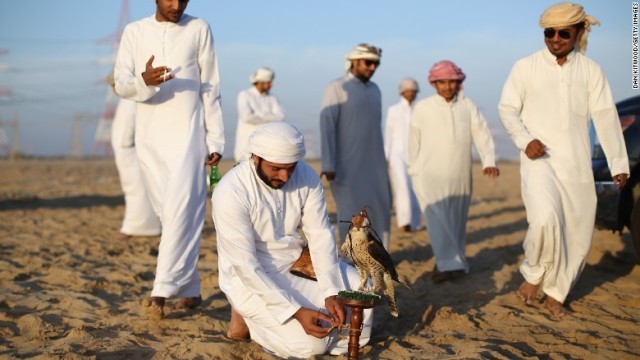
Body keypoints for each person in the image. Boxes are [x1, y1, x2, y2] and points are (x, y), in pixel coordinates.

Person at [498, 2, 629, 316]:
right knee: (544, 221)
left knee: (577, 230)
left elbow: (606, 117)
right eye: (549, 32)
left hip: (577, 163)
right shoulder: (525, 66)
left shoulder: (591, 71)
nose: (555, 38)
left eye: (563, 32)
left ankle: (557, 294)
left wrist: (619, 163)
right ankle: (533, 273)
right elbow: (507, 109)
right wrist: (524, 139)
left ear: (579, 32)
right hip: (538, 161)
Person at [212, 122, 372, 358]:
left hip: (294, 264)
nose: (285, 176)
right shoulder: (231, 192)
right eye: (276, 168)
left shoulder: (306, 175)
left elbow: (320, 234)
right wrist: (295, 311)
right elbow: (246, 266)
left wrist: (331, 292)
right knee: (311, 347)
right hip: (249, 278)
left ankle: (291, 326)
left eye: (291, 167)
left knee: (361, 288)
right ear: (255, 158)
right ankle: (248, 318)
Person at [113, 0, 225, 319]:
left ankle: (161, 290)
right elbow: (121, 84)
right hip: (150, 138)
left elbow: (210, 86)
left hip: (189, 135)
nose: (176, 5)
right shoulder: (135, 32)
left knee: (180, 208)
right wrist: (144, 82)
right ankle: (189, 289)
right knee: (170, 214)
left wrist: (215, 136)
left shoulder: (199, 28)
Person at [408, 60, 499, 283]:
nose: (447, 87)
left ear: (458, 82)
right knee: (436, 219)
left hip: (460, 174)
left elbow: (482, 133)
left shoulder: (467, 105)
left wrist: (489, 160)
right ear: (434, 83)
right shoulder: (423, 107)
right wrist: (414, 168)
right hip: (429, 173)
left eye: (452, 82)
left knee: (457, 220)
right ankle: (445, 263)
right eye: (442, 82)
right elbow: (413, 141)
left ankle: (456, 264)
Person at [320, 43, 392, 249]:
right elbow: (327, 126)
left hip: (375, 165)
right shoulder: (336, 87)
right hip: (345, 166)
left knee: (379, 210)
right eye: (368, 63)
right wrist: (328, 162)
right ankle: (352, 259)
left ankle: (379, 256)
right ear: (354, 61)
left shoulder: (375, 90)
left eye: (375, 64)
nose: (372, 67)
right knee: (351, 214)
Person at [107, 72, 161, 241]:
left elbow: (131, 129)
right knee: (134, 188)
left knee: (136, 189)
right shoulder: (127, 100)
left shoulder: (133, 100)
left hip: (130, 151)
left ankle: (135, 227)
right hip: (126, 151)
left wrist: (126, 146)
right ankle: (141, 226)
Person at [384, 78, 423, 233]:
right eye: (408, 90)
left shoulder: (420, 109)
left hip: (417, 154)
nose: (410, 93)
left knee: (417, 189)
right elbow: (389, 134)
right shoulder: (393, 110)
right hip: (397, 154)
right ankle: (404, 221)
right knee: (402, 188)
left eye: (413, 91)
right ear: (402, 92)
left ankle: (415, 223)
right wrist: (386, 156)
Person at [234, 67, 285, 162]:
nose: (271, 85)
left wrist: (257, 115)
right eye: (269, 82)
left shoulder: (272, 98)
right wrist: (270, 117)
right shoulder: (245, 95)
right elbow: (247, 117)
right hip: (246, 147)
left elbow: (280, 117)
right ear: (261, 82)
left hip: (266, 148)